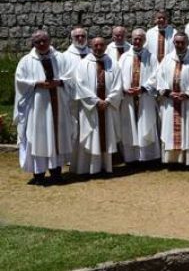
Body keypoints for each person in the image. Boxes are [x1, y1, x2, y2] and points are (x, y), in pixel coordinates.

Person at [14, 30, 74, 185]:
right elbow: (20, 81)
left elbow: (72, 77)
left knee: (57, 137)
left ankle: (56, 173)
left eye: (44, 40)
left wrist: (60, 82)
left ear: (50, 40)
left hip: (58, 106)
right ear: (33, 43)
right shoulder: (26, 61)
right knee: (37, 137)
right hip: (37, 107)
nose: (41, 44)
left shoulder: (60, 58)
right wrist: (36, 83)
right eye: (38, 41)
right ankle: (38, 174)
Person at [72, 37, 123, 176]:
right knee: (91, 136)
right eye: (96, 45)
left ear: (106, 46)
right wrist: (95, 101)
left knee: (106, 136)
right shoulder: (83, 64)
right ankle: (88, 168)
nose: (99, 48)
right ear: (91, 46)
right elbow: (80, 85)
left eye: (101, 45)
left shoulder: (113, 63)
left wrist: (108, 100)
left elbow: (118, 85)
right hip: (91, 109)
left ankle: (107, 167)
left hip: (107, 107)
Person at [155, 33, 189, 166]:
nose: (179, 45)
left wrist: (187, 94)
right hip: (170, 102)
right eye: (177, 42)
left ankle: (188, 160)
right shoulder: (167, 59)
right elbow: (160, 76)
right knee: (169, 130)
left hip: (188, 102)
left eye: (182, 42)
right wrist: (168, 93)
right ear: (173, 43)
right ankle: (171, 160)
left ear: (187, 43)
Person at [117, 28, 161, 165]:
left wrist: (142, 88)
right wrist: (124, 89)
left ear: (144, 40)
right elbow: (118, 76)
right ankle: (131, 158)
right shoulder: (124, 57)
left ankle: (147, 157)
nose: (137, 41)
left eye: (140, 39)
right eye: (135, 39)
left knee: (146, 125)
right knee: (129, 126)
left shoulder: (151, 57)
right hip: (128, 98)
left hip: (145, 96)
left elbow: (156, 75)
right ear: (131, 39)